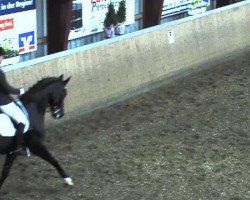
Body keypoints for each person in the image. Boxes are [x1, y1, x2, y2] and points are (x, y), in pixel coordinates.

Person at [0, 47, 29, 155]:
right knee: (22, 120)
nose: (2, 59)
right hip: (3, 102)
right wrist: (19, 91)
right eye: (2, 57)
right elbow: (6, 88)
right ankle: (18, 147)